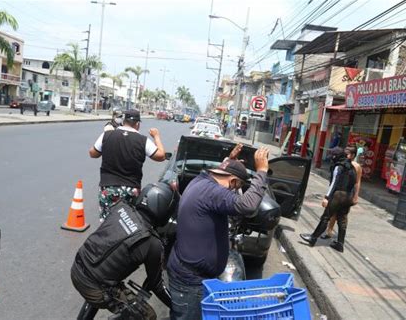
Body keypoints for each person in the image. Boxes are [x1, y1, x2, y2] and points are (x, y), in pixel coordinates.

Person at [167, 144, 270, 320]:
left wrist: (231, 161)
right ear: (233, 182)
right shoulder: (213, 192)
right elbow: (248, 204)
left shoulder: (202, 181)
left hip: (188, 273)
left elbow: (225, 174)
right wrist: (261, 172)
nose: (233, 191)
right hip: (190, 282)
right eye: (236, 187)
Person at [71, 183, 176, 320]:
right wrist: (179, 309)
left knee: (106, 278)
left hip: (78, 267)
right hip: (95, 287)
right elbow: (157, 285)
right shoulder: (151, 242)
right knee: (148, 316)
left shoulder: (121, 208)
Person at [89, 109, 166, 222]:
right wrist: (156, 136)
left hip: (108, 188)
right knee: (127, 226)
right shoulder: (143, 140)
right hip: (131, 190)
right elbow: (161, 156)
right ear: (137, 124)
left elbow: (93, 153)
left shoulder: (107, 135)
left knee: (106, 224)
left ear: (123, 121)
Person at [300, 147, 357, 253]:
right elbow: (353, 183)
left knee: (326, 217)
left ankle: (313, 238)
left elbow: (334, 183)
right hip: (348, 196)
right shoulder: (351, 166)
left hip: (339, 195)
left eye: (333, 155)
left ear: (336, 156)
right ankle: (340, 244)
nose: (332, 158)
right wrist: (353, 197)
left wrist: (326, 197)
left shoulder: (339, 166)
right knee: (342, 220)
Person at [322, 146, 362, 239]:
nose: (345, 155)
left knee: (343, 215)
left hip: (348, 192)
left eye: (347, 153)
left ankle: (339, 238)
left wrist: (356, 196)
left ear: (353, 155)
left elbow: (357, 182)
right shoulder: (341, 164)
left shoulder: (356, 167)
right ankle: (329, 231)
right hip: (337, 191)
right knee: (333, 213)